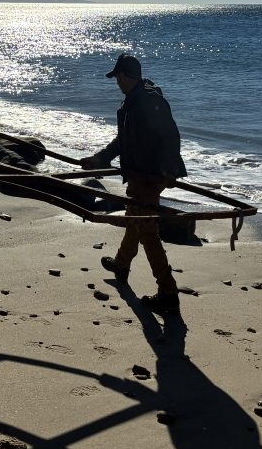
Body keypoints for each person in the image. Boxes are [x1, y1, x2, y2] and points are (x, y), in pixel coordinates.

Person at [79, 53, 187, 316]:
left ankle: (168, 293)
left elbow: (170, 135)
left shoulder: (148, 101)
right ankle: (121, 264)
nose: (117, 82)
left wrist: (168, 171)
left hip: (150, 176)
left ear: (126, 75)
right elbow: (124, 140)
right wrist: (101, 158)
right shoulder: (133, 99)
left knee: (147, 231)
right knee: (134, 218)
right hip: (140, 173)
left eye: (118, 76)